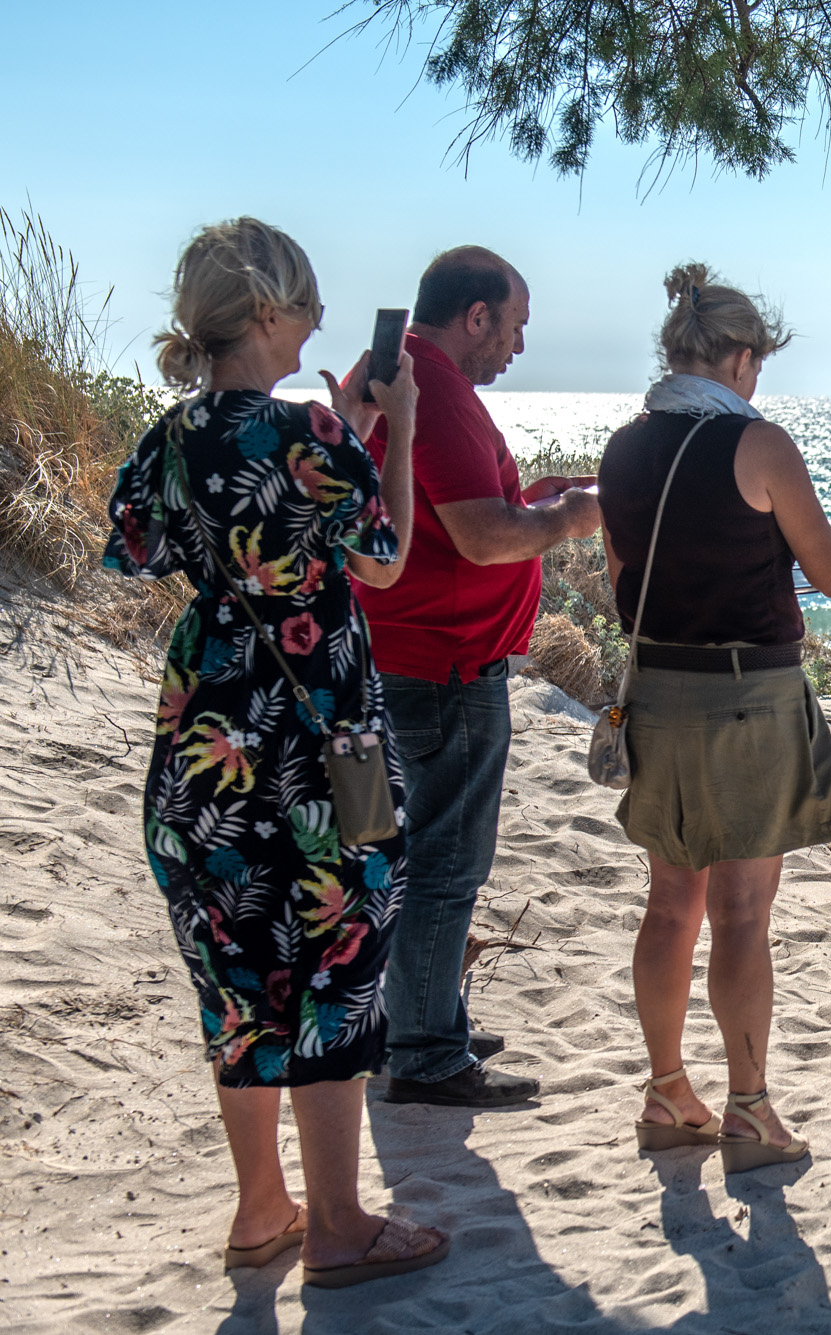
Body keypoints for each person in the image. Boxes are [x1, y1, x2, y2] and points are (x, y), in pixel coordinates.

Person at [103, 218, 448, 1284]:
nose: (318, 322)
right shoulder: (312, 434)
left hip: (205, 740)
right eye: (305, 303)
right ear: (263, 313)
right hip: (318, 745)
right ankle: (339, 1223)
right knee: (338, 964)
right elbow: (382, 562)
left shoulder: (170, 437)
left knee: (240, 978)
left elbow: (132, 549)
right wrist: (390, 435)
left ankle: (263, 1212)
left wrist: (318, 450)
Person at [596, 264, 831, 1171]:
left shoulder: (621, 447)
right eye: (756, 364)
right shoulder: (758, 444)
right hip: (746, 695)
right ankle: (750, 1109)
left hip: (656, 691)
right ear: (737, 357)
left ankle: (664, 1092)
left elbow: (623, 581)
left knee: (668, 904)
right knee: (740, 913)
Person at [355, 246, 602, 1109]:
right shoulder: (438, 390)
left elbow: (439, 514)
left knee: (422, 852)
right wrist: (568, 515)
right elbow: (482, 536)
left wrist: (530, 494)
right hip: (445, 661)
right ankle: (423, 1048)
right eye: (515, 325)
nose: (519, 348)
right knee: (446, 859)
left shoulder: (402, 376)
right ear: (476, 316)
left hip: (414, 653)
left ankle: (419, 1017)